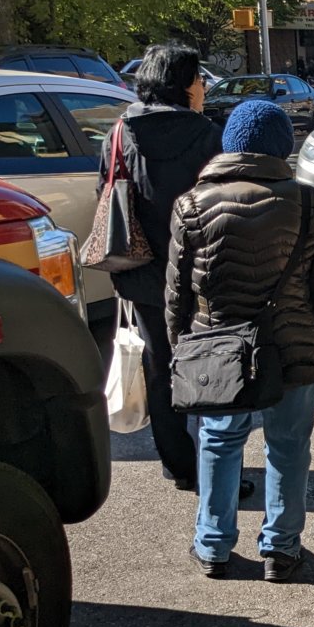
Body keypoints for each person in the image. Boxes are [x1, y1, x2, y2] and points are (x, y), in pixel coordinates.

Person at [168, 100, 314, 581]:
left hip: (219, 351)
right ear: (283, 148)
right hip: (294, 352)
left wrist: (180, 350)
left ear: (229, 146)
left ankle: (212, 546)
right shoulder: (308, 202)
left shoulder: (190, 204)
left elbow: (177, 294)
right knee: (289, 448)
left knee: (218, 442)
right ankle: (281, 549)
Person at [97, 43, 222, 491]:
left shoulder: (120, 132)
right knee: (210, 365)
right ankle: (214, 468)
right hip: (200, 270)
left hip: (142, 268)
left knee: (159, 364)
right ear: (183, 84)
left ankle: (178, 465)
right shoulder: (207, 134)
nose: (203, 87)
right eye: (198, 78)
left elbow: (105, 192)